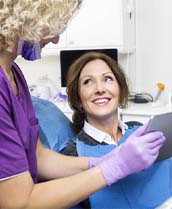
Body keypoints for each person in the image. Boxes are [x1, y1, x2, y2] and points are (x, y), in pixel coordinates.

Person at [0, 1, 165, 209]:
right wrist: (113, 167)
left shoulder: (14, 74)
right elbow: (19, 202)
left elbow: (38, 156)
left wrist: (103, 160)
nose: (57, 38)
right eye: (53, 25)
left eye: (108, 79)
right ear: (29, 16)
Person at [65, 51, 172, 209]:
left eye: (107, 79)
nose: (100, 89)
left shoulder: (142, 129)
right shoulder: (73, 155)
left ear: (120, 91)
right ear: (78, 100)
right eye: (88, 82)